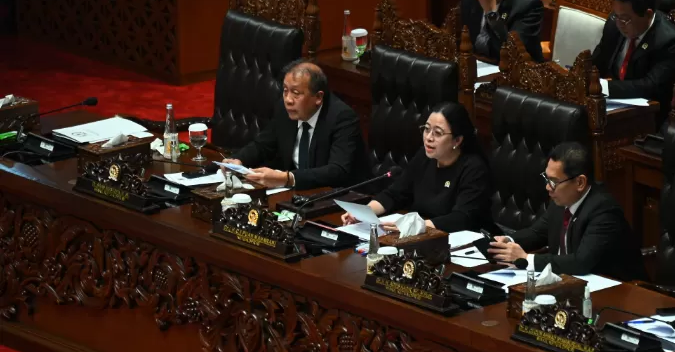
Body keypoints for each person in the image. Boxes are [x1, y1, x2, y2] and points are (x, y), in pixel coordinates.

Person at [487, 142, 646, 282]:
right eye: (547, 179)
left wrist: (526, 259)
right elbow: (537, 233)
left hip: (617, 292)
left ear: (580, 182)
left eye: (554, 181)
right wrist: (507, 242)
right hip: (569, 285)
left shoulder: (604, 211)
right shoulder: (560, 202)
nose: (548, 187)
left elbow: (581, 262)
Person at [340, 102, 492, 233]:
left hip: (459, 244)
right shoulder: (425, 156)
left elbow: (462, 218)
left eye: (437, 133)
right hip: (419, 238)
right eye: (426, 129)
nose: (428, 138)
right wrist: (363, 213)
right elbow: (395, 194)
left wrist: (416, 226)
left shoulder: (474, 168)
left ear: (457, 140)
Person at [223, 60, 369, 190]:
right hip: (297, 194)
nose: (288, 99)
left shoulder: (342, 118)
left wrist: (288, 178)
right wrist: (238, 160)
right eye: (285, 90)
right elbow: (263, 144)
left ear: (318, 97)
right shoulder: (285, 109)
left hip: (339, 196)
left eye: (296, 93)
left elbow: (337, 171)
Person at [591, 0, 675, 128]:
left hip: (649, 118)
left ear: (648, 14)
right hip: (612, 107)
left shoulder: (670, 42)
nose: (619, 23)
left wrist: (601, 86)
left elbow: (649, 87)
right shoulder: (614, 25)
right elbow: (597, 62)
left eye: (625, 18)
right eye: (616, 16)